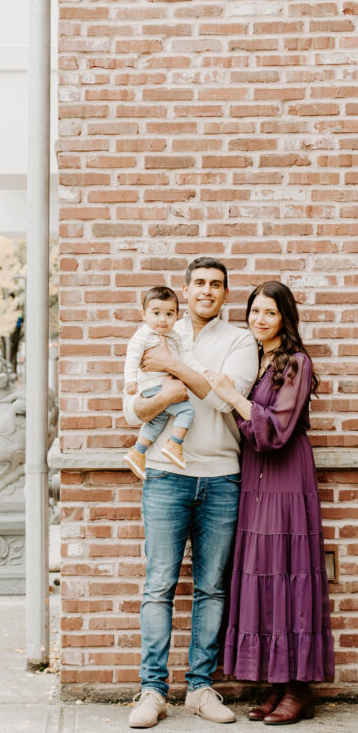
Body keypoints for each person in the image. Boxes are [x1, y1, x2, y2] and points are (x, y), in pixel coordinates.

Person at [124, 257, 258, 729]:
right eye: (198, 283)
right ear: (185, 289)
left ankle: (200, 688)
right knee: (158, 585)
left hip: (222, 475)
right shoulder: (157, 329)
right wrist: (166, 393)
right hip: (164, 473)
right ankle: (153, 692)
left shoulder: (240, 340)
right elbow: (133, 409)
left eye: (216, 285)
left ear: (225, 293)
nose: (206, 290)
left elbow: (229, 403)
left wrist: (173, 366)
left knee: (212, 588)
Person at [205, 281, 334, 726]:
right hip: (254, 482)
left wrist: (234, 397)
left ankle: (300, 689)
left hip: (285, 478)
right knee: (264, 575)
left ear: (285, 318)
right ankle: (278, 683)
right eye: (254, 312)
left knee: (290, 572)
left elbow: (275, 431)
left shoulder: (295, 363)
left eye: (270, 313)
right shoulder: (256, 361)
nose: (260, 320)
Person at [123, 285, 209, 478]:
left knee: (158, 421)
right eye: (156, 313)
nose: (163, 319)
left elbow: (187, 359)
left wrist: (203, 372)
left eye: (169, 314)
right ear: (144, 314)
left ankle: (137, 452)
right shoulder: (143, 335)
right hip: (153, 386)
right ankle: (174, 444)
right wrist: (130, 380)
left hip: (162, 386)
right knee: (186, 411)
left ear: (177, 316)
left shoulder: (174, 336)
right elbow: (132, 357)